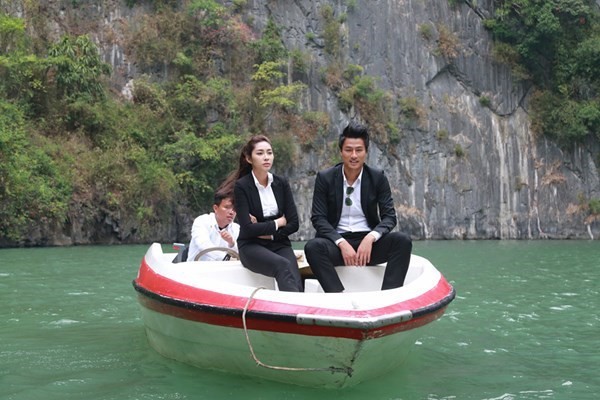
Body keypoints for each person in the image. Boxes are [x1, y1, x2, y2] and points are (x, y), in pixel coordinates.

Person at [304, 121, 412, 292]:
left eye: (359, 150)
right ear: (341, 152)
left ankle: (389, 296)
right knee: (313, 247)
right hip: (336, 243)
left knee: (402, 241)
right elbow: (318, 218)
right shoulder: (325, 178)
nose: (353, 155)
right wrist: (341, 242)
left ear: (366, 152)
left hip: (368, 244)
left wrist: (371, 237)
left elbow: (389, 217)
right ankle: (338, 296)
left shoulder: (377, 178)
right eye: (348, 150)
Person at [223, 135, 303, 292]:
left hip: (280, 243)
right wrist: (278, 223)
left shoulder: (281, 183)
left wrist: (270, 234)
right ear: (249, 158)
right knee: (282, 265)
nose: (266, 157)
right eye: (260, 153)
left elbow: (294, 223)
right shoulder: (242, 186)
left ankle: (297, 307)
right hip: (251, 245)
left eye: (269, 153)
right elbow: (248, 229)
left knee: (296, 281)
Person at [187, 189, 240, 262]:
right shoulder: (202, 221)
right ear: (216, 208)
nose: (231, 212)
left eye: (234, 209)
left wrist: (232, 244)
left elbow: (242, 252)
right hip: (197, 268)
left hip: (225, 268)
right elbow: (204, 245)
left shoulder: (237, 229)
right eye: (227, 207)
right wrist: (226, 258)